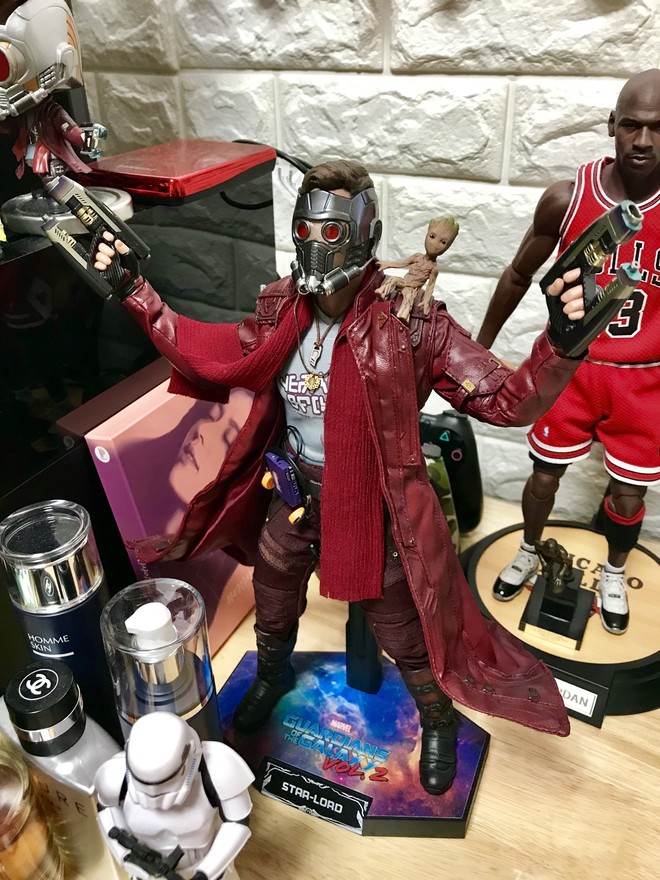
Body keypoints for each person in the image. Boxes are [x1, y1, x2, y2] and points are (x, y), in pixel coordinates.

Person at [90, 159, 587, 797]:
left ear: (364, 235)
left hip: (372, 508)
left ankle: (437, 716)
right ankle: (271, 675)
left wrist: (561, 342)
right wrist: (137, 291)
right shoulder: (281, 311)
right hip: (294, 494)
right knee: (272, 596)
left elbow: (504, 400)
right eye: (305, 230)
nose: (315, 246)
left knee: (402, 627)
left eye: (332, 233)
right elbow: (208, 352)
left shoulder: (411, 323)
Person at [477, 69, 660, 636]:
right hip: (570, 367)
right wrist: (479, 350)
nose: (643, 140)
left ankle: (614, 573)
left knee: (628, 493)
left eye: (658, 128)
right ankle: (529, 548)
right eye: (631, 125)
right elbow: (517, 274)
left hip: (643, 377)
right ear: (611, 125)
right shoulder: (568, 197)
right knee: (543, 475)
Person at [94, 712, 253, 880]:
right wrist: (127, 858)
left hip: (205, 864)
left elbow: (237, 823)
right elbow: (108, 814)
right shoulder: (115, 775)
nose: (154, 793)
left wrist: (205, 873)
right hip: (147, 870)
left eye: (163, 782)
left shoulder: (217, 767)